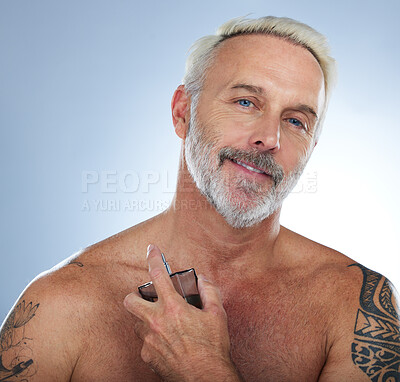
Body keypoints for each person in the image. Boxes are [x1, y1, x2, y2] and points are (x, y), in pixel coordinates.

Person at [1, 15, 399, 382]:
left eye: (296, 121)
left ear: (312, 145)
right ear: (182, 112)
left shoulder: (355, 306)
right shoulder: (62, 304)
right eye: (246, 102)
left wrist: (202, 367)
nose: (270, 138)